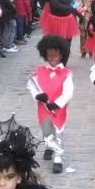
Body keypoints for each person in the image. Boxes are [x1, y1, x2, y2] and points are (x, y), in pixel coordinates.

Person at [27, 35, 74, 174]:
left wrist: (57, 103)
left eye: (56, 56)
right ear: (45, 55)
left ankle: (58, 157)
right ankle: (49, 146)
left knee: (58, 131)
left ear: (61, 56)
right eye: (50, 56)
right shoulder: (39, 71)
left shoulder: (66, 73)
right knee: (46, 131)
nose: (53, 59)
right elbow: (31, 86)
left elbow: (68, 92)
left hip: (58, 108)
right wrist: (37, 95)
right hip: (43, 108)